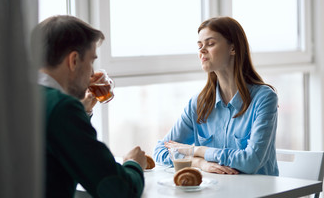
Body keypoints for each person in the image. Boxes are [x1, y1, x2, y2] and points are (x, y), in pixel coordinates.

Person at [31, 15, 147, 198]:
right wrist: (134, 164)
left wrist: (82, 110)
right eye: (91, 61)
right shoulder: (62, 108)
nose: (92, 73)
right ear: (74, 60)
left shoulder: (15, 97)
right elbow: (120, 191)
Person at [153, 16, 279, 176]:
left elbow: (251, 161)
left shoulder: (264, 98)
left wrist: (199, 150)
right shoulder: (198, 104)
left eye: (210, 44)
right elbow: (160, 151)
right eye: (199, 46)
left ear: (233, 48)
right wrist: (198, 162)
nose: (202, 50)